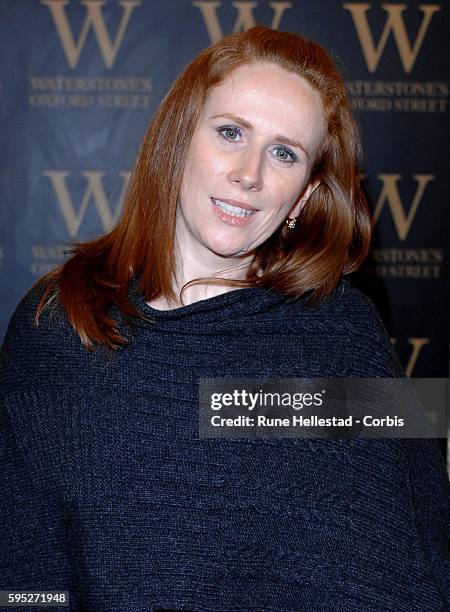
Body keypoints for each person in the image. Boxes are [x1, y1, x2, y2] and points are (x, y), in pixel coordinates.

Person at [0, 26, 449, 612]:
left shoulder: (343, 334)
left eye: (284, 152)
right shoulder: (60, 324)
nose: (249, 173)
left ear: (306, 196)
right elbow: (25, 576)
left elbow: (414, 558)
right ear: (181, 137)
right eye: (231, 132)